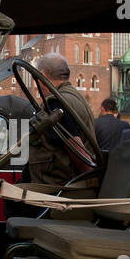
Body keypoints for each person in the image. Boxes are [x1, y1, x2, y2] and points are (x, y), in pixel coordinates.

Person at [23, 52, 94, 187]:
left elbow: (74, 145)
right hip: (69, 183)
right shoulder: (76, 97)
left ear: (42, 76)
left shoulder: (56, 102)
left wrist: (89, 177)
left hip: (55, 187)